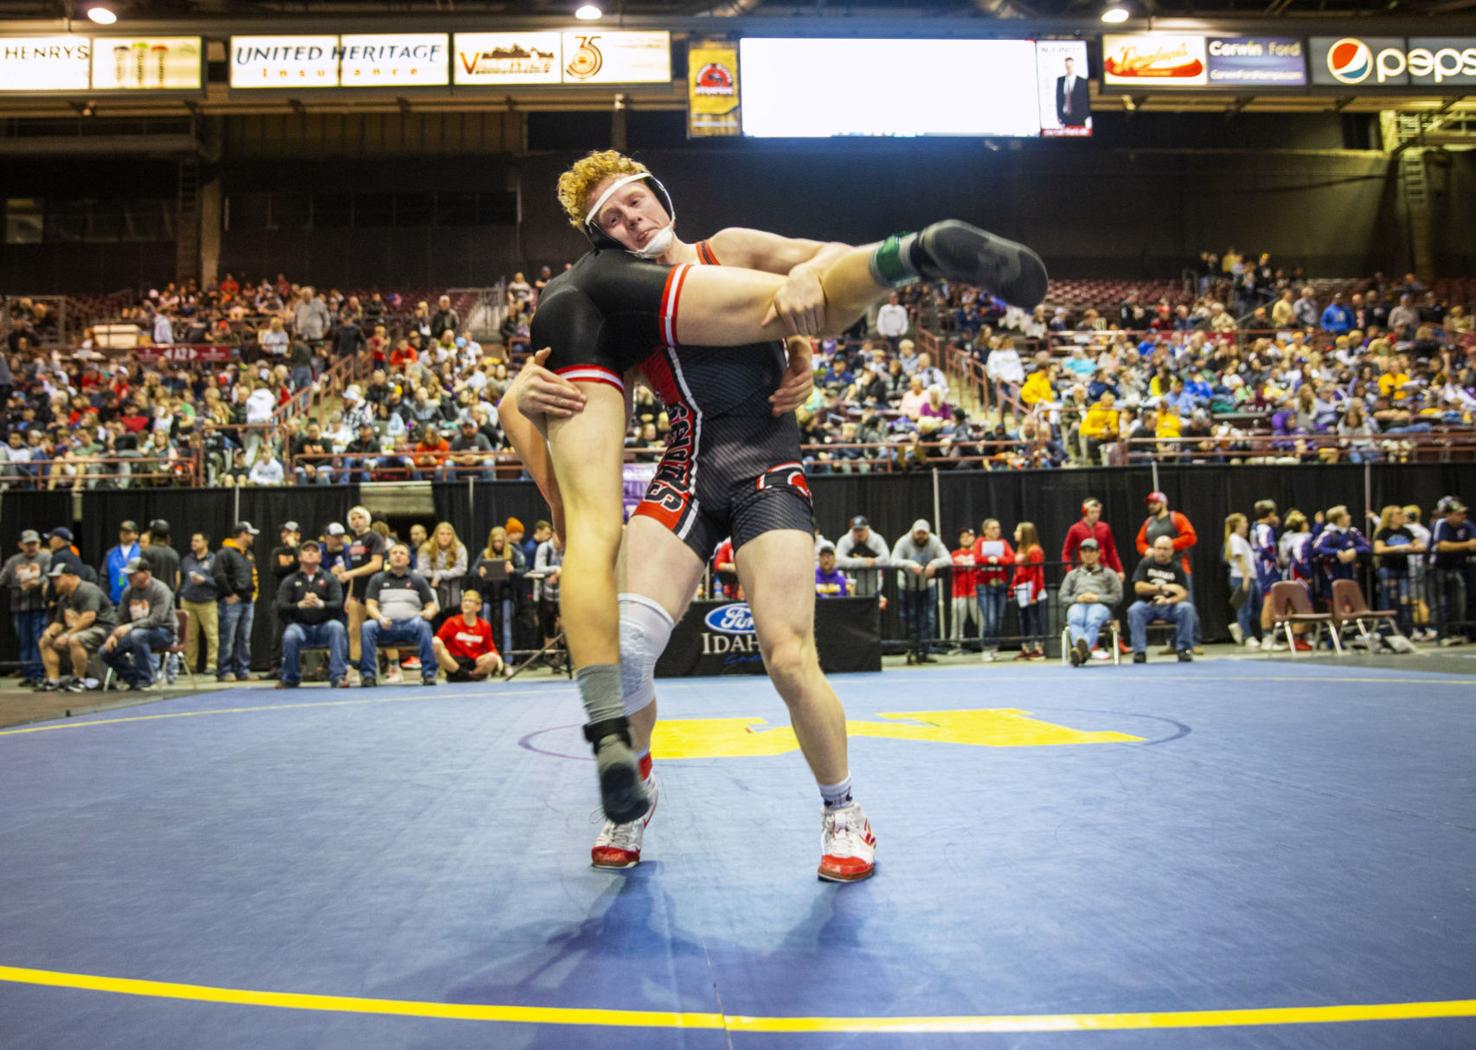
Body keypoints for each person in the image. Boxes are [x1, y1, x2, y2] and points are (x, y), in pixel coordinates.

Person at [523, 148, 1045, 835]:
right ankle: (636, 788)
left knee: (791, 656)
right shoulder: (616, 307)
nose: (630, 220)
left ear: (661, 196)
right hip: (686, 468)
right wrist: (523, 388)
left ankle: (843, 810)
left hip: (765, 466)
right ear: (601, 239)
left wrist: (803, 306)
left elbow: (826, 256)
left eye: (635, 201)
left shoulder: (727, 249)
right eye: (611, 218)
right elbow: (567, 364)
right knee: (626, 649)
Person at [360, 542, 438, 687]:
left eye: (402, 553)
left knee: (424, 625)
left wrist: (428, 612)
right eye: (394, 553)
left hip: (411, 625)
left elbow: (431, 605)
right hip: (385, 625)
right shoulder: (377, 579)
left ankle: (428, 673)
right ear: (388, 558)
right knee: (367, 627)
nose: (397, 556)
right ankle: (368, 675)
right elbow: (370, 605)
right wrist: (380, 618)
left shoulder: (417, 579)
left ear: (408, 560)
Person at [275, 540, 349, 690]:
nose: (310, 553)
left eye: (314, 551)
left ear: (320, 558)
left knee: (337, 627)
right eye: (306, 550)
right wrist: (299, 605)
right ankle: (290, 677)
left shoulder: (330, 579)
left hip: (324, 627)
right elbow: (280, 606)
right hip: (300, 627)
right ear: (300, 557)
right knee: (290, 635)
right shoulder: (290, 580)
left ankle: (338, 677)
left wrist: (321, 604)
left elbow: (338, 604)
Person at [101, 556, 177, 691]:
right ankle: (134, 679)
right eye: (128, 575)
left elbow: (156, 620)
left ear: (146, 574)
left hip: (163, 632)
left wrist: (130, 626)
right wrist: (113, 635)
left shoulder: (161, 590)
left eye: (133, 574)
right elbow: (120, 618)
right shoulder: (128, 592)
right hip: (137, 633)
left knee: (138, 635)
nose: (129, 578)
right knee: (105, 651)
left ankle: (145, 677)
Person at [37, 562, 115, 693]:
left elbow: (89, 618)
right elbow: (59, 622)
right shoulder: (64, 598)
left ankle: (79, 680)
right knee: (45, 641)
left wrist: (67, 635)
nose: (54, 582)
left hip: (102, 629)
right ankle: (53, 680)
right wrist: (51, 631)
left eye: (58, 578)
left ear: (70, 576)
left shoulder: (87, 589)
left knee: (75, 639)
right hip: (81, 630)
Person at [1127, 535, 1198, 663]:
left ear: (1171, 551)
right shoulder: (1145, 563)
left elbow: (1183, 593)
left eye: (1165, 549)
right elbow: (1138, 587)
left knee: (1187, 608)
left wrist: (1168, 601)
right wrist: (1163, 587)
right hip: (1148, 604)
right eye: (1159, 548)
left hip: (1169, 606)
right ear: (1153, 549)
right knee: (1134, 610)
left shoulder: (1176, 567)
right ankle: (1139, 652)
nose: (1162, 552)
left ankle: (1183, 649)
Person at [335, 505, 386, 677]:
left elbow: (376, 564)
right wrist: (349, 595)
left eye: (360, 517)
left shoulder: (375, 537)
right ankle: (355, 667)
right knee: (353, 630)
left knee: (385, 627)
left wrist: (350, 573)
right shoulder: (353, 542)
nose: (357, 521)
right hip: (357, 590)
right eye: (354, 518)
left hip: (377, 590)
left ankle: (394, 665)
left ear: (367, 520)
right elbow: (355, 571)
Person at [1059, 537, 1121, 666]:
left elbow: (1117, 596)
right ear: (1080, 554)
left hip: (1099, 605)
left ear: (1098, 553)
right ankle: (1083, 650)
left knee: (1092, 620)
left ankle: (1080, 649)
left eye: (1091, 551)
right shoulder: (1072, 575)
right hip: (1078, 604)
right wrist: (1077, 599)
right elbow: (1062, 597)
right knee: (1075, 618)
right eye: (1084, 551)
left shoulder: (1109, 574)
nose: (1088, 555)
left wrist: (1098, 598)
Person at [2, 529, 51, 686]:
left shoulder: (45, 558)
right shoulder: (13, 561)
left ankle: (37, 673)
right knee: (24, 642)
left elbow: (50, 576)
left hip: (39, 607)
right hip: (19, 608)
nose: (32, 547)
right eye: (28, 544)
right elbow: (3, 579)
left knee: (38, 640)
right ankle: (28, 673)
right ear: (21, 545)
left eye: (34, 544)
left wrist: (38, 583)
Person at [213, 522, 259, 682]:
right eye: (250, 534)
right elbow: (219, 575)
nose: (252, 537)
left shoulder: (248, 554)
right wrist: (229, 594)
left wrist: (254, 593)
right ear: (242, 534)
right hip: (232, 601)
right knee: (228, 637)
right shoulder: (224, 553)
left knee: (244, 638)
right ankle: (224, 670)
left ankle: (243, 670)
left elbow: (253, 575)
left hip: (247, 600)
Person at [1372, 505, 1423, 639]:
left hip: (1403, 569)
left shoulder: (1406, 531)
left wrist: (1415, 547)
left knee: (1404, 599)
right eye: (1398, 513)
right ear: (1390, 517)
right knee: (1387, 599)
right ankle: (1386, 629)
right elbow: (1378, 550)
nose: (1402, 515)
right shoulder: (1383, 532)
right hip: (1387, 569)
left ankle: (1406, 629)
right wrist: (1398, 547)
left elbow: (1419, 545)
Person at [473, 525, 524, 658]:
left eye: (500, 541)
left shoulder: (513, 552)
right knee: (486, 626)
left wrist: (513, 570)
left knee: (507, 626)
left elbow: (523, 569)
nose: (498, 544)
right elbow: (472, 570)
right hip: (488, 595)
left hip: (507, 594)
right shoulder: (485, 553)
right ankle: (486, 656)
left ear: (505, 541)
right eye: (495, 541)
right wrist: (480, 572)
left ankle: (507, 659)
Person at [432, 589, 504, 681]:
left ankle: (473, 675)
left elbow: (491, 648)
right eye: (464, 601)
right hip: (454, 662)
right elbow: (438, 640)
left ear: (478, 607)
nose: (466, 604)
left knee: (492, 658)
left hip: (474, 661)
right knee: (435, 642)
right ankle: (461, 673)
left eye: (470, 601)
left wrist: (498, 657)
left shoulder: (484, 625)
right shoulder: (451, 622)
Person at [1431, 498, 1475, 645]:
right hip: (1438, 568)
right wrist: (1465, 545)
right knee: (1440, 602)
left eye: (1463, 514)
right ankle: (1441, 634)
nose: (1462, 517)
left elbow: (1474, 544)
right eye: (1458, 514)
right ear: (1448, 515)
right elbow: (1442, 546)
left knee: (1458, 602)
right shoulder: (1441, 524)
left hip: (1457, 567)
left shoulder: (1467, 525)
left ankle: (1456, 631)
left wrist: (1459, 546)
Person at [179, 531, 221, 676]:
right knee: (189, 636)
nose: (193, 543)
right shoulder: (187, 560)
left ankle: (212, 664)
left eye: (197, 541)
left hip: (207, 602)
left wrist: (205, 580)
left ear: (205, 542)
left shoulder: (214, 559)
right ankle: (190, 665)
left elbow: (220, 581)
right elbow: (181, 577)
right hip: (188, 601)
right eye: (192, 541)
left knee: (211, 635)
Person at [972, 518, 1014, 662]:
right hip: (984, 585)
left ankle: (995, 647)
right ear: (986, 530)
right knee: (990, 619)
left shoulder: (1003, 543)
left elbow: (1011, 558)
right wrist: (989, 559)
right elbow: (976, 558)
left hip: (1000, 585)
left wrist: (998, 560)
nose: (997, 530)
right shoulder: (980, 542)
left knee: (999, 618)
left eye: (998, 527)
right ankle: (986, 647)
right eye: (993, 528)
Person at [265, 521, 302, 678]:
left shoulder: (303, 550)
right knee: (278, 633)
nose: (284, 535)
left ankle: (300, 666)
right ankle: (276, 666)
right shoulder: (277, 552)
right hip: (280, 598)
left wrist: (294, 549)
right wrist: (294, 564)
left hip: (300, 598)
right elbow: (276, 570)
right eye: (283, 532)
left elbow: (304, 564)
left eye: (289, 532)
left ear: (297, 534)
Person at [1011, 521, 1047, 660]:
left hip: (1032, 588)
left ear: (1025, 533)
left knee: (1035, 619)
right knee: (1024, 619)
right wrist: (1012, 587)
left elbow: (1037, 573)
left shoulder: (1034, 550)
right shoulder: (1020, 549)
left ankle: (1039, 649)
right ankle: (1025, 648)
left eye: (1018, 531)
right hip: (1021, 589)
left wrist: (1034, 594)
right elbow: (1017, 572)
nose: (1015, 533)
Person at [1223, 513, 1259, 648]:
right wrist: (1245, 578)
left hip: (1249, 577)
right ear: (1237, 525)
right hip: (1240, 577)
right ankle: (1248, 636)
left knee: (1252, 608)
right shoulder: (1234, 539)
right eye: (1244, 522)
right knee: (1243, 608)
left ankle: (1239, 626)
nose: (1247, 524)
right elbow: (1240, 560)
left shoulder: (1241, 539)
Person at [834, 515, 890, 598]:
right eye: (856, 530)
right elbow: (838, 560)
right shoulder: (844, 540)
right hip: (851, 589)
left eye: (861, 530)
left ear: (867, 529)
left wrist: (874, 561)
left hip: (873, 588)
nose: (859, 533)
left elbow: (886, 558)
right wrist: (862, 561)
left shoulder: (877, 539)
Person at [948, 527, 980, 650]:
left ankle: (986, 641)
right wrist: (967, 565)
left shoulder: (977, 553)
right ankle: (956, 644)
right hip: (959, 592)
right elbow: (954, 567)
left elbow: (979, 566)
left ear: (973, 538)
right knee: (957, 618)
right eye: (963, 537)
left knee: (980, 618)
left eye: (968, 536)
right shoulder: (955, 554)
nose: (965, 539)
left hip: (975, 591)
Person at [101, 519, 141, 604]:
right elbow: (104, 577)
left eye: (127, 532)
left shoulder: (141, 552)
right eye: (122, 531)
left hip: (136, 600)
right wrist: (106, 597)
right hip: (114, 600)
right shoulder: (111, 553)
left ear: (136, 535)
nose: (123, 534)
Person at [139, 518, 181, 592]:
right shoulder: (174, 554)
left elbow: (141, 577)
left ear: (152, 535)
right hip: (169, 596)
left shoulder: (147, 552)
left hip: (151, 596)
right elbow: (177, 581)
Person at [1056, 54, 1090, 127]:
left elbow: (1086, 100)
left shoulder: (1082, 81)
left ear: (1074, 66)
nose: (1069, 68)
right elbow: (1058, 99)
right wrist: (1059, 115)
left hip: (1079, 118)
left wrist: (1085, 116)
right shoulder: (1060, 80)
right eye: (1067, 66)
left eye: (1070, 66)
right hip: (1065, 117)